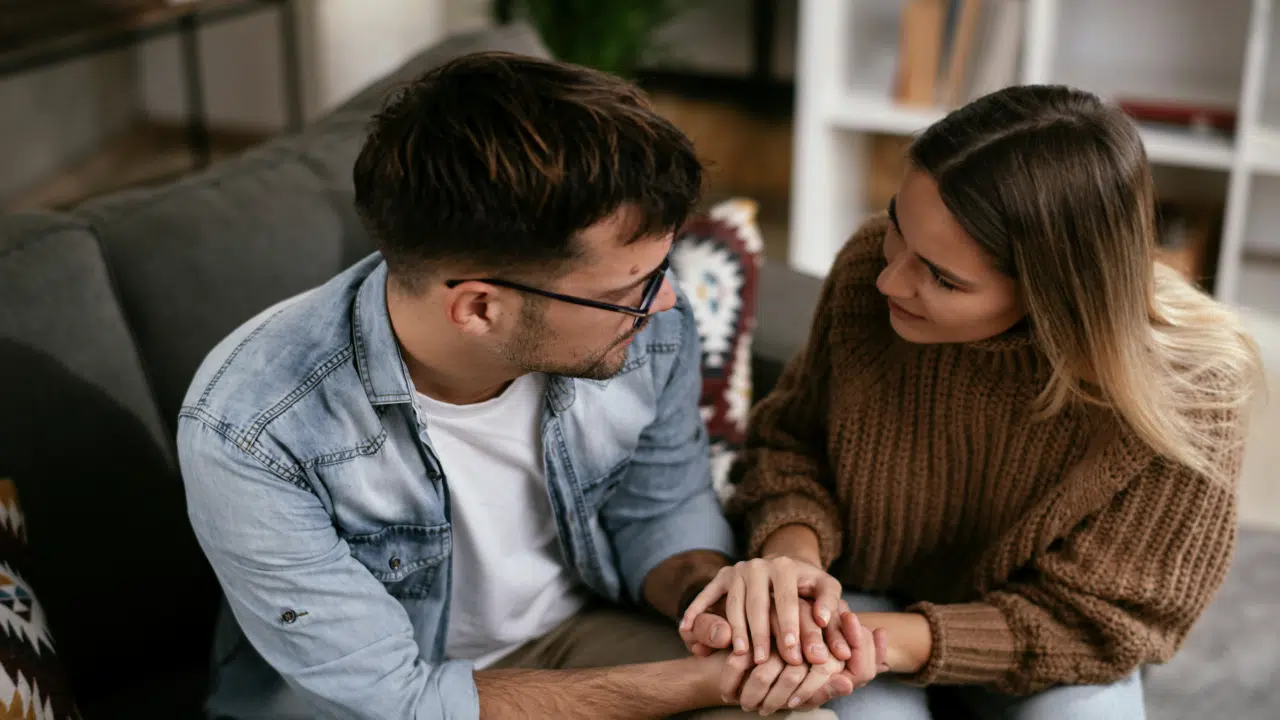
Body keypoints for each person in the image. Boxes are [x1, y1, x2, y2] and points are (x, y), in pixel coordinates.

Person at [176, 51, 883, 720]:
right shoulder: (254, 431)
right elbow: (396, 702)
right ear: (481, 308)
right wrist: (706, 680)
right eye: (630, 289)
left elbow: (657, 508)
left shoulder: (645, 324)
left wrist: (717, 598)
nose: (664, 304)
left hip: (580, 638)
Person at [680, 83, 1263, 719]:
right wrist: (793, 567)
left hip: (1036, 647)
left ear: (1052, 295)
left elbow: (1107, 619)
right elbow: (790, 447)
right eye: (897, 227)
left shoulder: (1191, 388)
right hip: (855, 600)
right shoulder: (863, 283)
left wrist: (893, 642)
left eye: (943, 277)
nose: (888, 279)